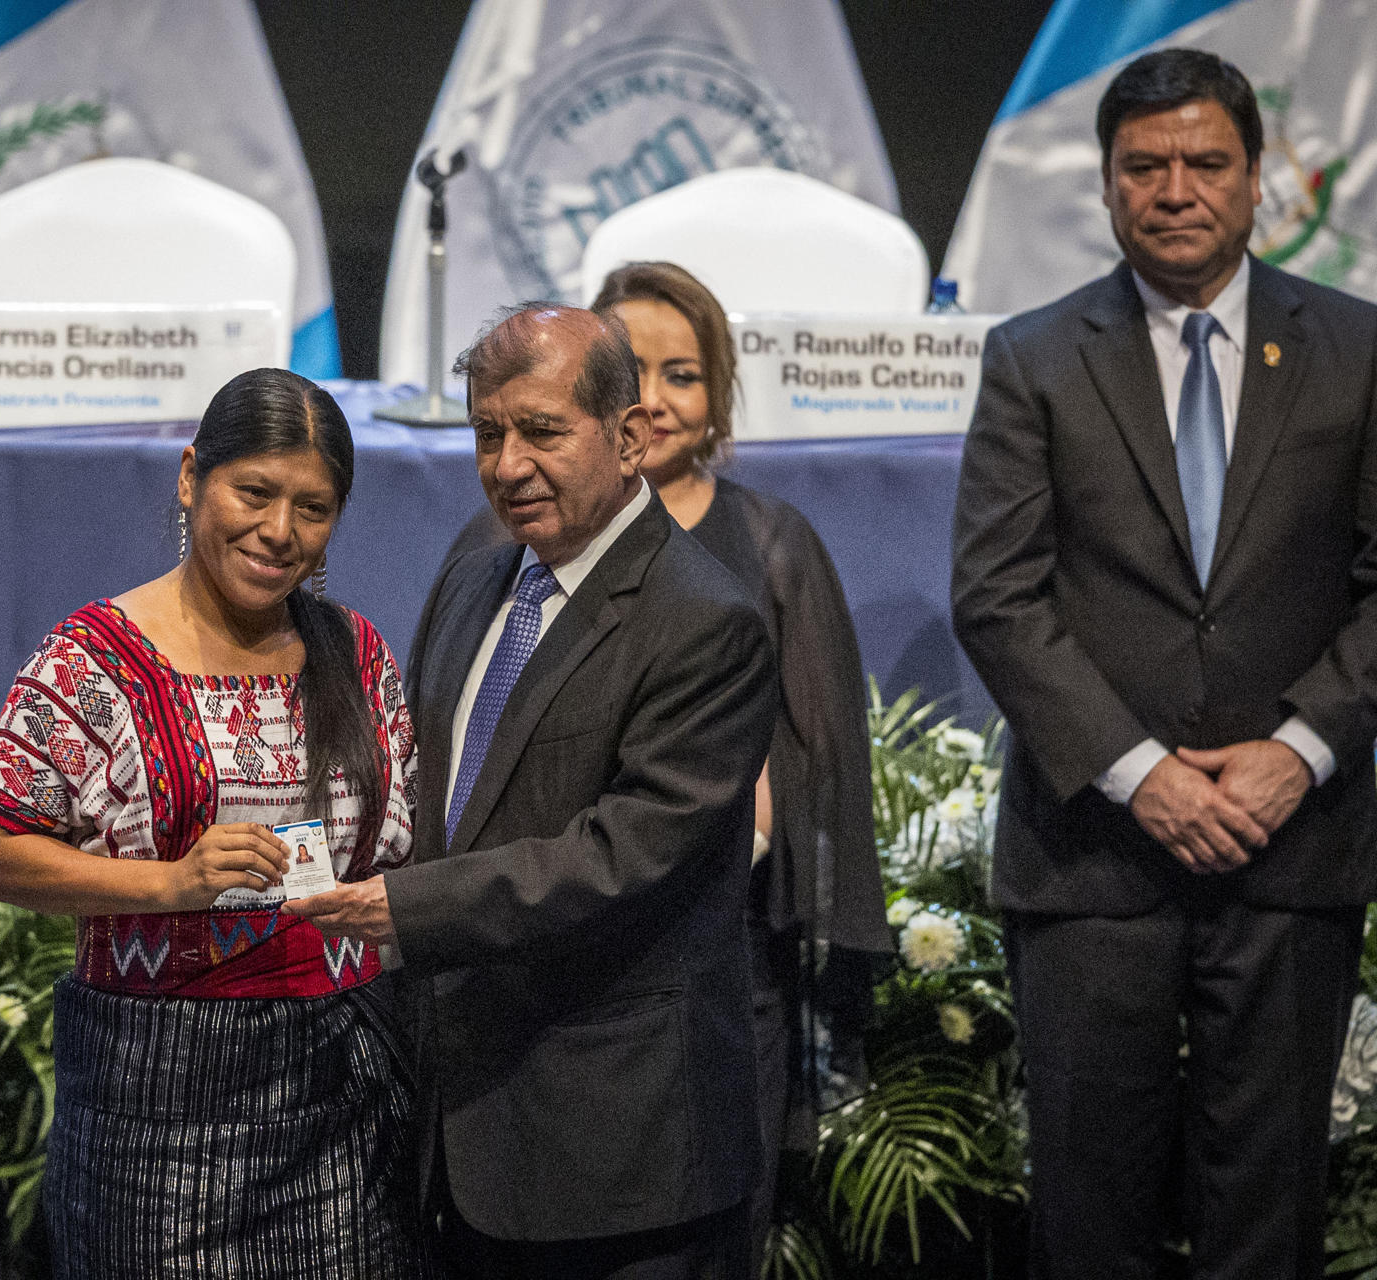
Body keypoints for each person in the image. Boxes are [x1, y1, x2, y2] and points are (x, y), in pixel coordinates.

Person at [951, 48, 1377, 1279]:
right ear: (1106, 185)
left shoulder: (1357, 348)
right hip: (1093, 854)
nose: (1175, 188)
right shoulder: (1032, 357)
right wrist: (1144, 776)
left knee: (1270, 1208)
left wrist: (1299, 752)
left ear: (1261, 183)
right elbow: (996, 596)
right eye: (1146, 165)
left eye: (1206, 163)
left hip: (1294, 848)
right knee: (1089, 1212)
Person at [288, 305, 778, 1278]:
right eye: (487, 432)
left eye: (542, 431)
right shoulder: (477, 581)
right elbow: (433, 799)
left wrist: (403, 909)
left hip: (620, 1160)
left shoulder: (707, 620)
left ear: (629, 436)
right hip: (460, 1135)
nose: (507, 464)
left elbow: (624, 854)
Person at [0, 368, 433, 1278]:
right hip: (156, 1107)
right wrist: (169, 884)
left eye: (314, 507)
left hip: (344, 1097)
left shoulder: (357, 653)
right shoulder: (92, 660)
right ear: (191, 478)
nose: (279, 531)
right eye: (253, 492)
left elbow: (398, 853)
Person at [591, 260, 891, 1272]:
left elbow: (820, 754)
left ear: (718, 389)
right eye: (628, 369)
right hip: (570, 954)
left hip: (729, 958)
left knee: (721, 1228)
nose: (654, 399)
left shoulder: (771, 543)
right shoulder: (535, 536)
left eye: (683, 372)